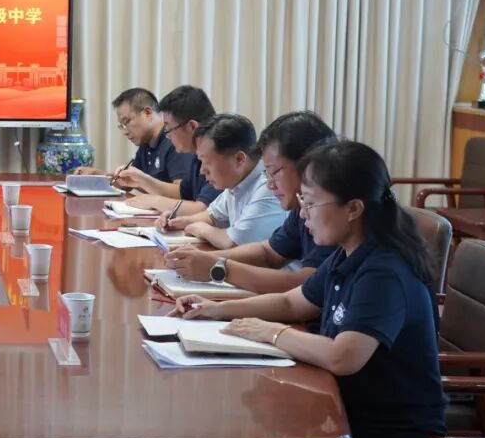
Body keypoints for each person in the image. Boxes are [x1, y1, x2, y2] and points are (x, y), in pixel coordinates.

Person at [172, 141, 445, 438]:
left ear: (353, 208)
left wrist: (273, 334)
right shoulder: (349, 252)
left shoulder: (384, 270)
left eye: (312, 203)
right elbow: (292, 303)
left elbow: (344, 356)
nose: (302, 213)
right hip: (349, 424)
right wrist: (215, 310)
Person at [165, 111, 338, 293]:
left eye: (273, 172)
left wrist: (220, 268)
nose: (270, 184)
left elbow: (307, 287)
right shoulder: (300, 209)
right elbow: (268, 253)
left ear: (307, 165)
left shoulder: (331, 211)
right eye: (267, 173)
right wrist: (207, 260)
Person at [155, 113, 286, 248]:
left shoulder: (269, 186)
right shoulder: (237, 181)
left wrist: (202, 229)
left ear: (239, 159)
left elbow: (233, 242)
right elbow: (212, 216)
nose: (202, 171)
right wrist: (178, 221)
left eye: (207, 162)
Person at [72, 88, 194, 211]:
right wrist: (97, 174)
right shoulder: (146, 143)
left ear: (147, 113)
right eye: (121, 126)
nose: (125, 132)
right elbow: (128, 183)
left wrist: (143, 180)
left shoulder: (174, 140)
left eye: (127, 122)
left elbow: (182, 192)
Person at [115, 85, 220, 213]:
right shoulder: (197, 156)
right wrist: (141, 180)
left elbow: (205, 210)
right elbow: (182, 193)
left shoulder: (219, 153)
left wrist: (155, 201)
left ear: (192, 126)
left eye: (168, 128)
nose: (167, 135)